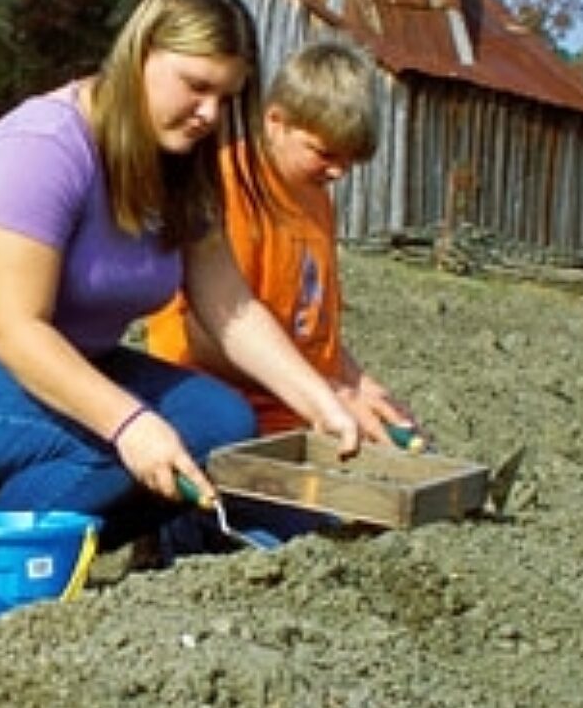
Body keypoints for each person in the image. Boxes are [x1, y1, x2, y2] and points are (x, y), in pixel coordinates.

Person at [0, 0, 360, 558]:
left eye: (227, 97)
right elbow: (14, 330)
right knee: (112, 440)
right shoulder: (44, 146)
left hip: (68, 361)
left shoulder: (185, 162)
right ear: (140, 54)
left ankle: (57, 550)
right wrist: (129, 424)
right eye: (196, 87)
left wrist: (320, 402)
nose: (209, 114)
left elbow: (230, 306)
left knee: (221, 424)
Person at [145, 38, 418, 443]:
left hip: (300, 407)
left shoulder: (317, 201)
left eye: (349, 159)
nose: (338, 172)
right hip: (223, 411)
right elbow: (204, 337)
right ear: (276, 121)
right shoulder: (227, 189)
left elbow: (310, 329)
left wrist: (356, 380)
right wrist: (324, 392)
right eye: (324, 153)